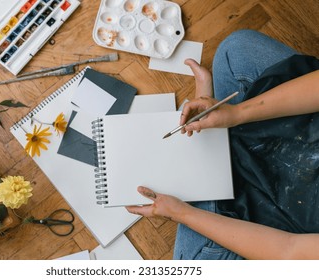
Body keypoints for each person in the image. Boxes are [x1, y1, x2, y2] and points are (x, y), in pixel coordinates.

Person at [126, 29, 319, 260]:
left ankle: (210, 153)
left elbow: (288, 249)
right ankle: (212, 148)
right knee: (236, 52)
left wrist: (182, 213)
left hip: (290, 214)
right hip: (299, 133)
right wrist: (237, 113)